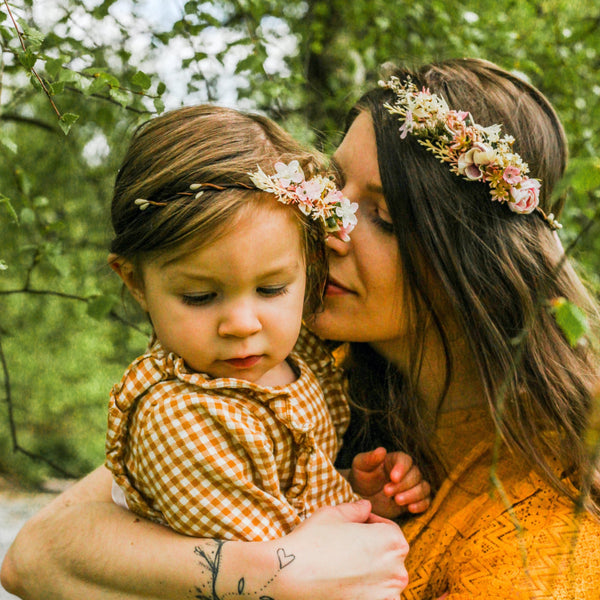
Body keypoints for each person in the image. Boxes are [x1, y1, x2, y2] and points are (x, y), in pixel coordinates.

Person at [2, 57, 600, 599]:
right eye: (330, 185)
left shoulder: (542, 542)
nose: (327, 224)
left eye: (384, 217)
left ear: (476, 264)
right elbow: (35, 554)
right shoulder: (292, 367)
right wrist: (269, 571)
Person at [103, 104, 429, 541]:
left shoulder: (301, 356)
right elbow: (277, 566)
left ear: (309, 264)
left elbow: (296, 493)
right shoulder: (179, 420)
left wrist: (358, 491)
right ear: (135, 281)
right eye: (199, 297)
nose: (241, 324)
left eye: (272, 289)